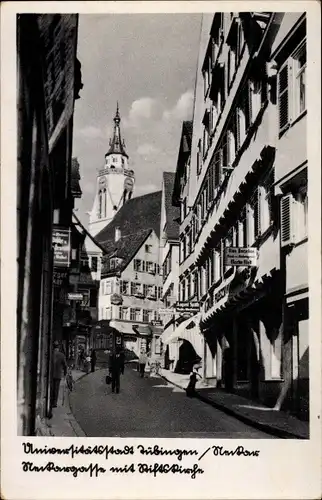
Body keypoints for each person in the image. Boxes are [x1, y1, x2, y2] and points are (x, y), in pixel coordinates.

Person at [51, 341, 67, 408]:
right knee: (56, 389)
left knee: (51, 388)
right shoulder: (61, 355)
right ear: (58, 347)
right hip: (58, 375)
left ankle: (50, 402)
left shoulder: (51, 354)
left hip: (50, 375)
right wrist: (65, 373)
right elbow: (65, 366)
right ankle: (54, 403)